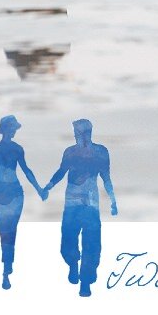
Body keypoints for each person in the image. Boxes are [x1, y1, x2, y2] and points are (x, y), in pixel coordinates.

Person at [41, 118, 118, 297]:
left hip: (91, 204)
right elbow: (61, 171)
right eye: (75, 133)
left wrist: (113, 199)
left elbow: (106, 177)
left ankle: (85, 282)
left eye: (77, 133)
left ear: (86, 134)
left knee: (91, 244)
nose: (75, 136)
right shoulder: (70, 152)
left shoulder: (101, 152)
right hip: (72, 203)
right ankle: (73, 264)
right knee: (68, 239)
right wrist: (48, 186)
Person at [0, 114, 45, 289]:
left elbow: (26, 170)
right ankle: (7, 263)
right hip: (3, 193)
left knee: (10, 231)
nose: (15, 132)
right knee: (4, 231)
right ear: (6, 129)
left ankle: (7, 267)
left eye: (15, 129)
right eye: (13, 129)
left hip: (12, 193)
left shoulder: (16, 149)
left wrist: (39, 189)